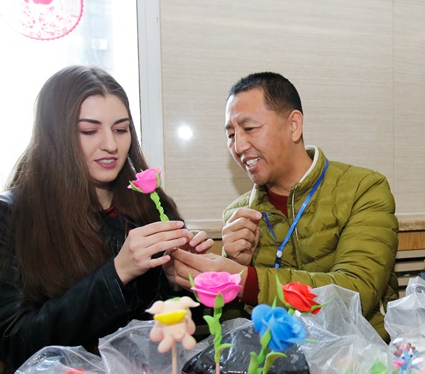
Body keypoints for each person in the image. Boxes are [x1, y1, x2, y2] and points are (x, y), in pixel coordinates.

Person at [0, 65, 212, 374]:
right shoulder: (4, 217)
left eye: (121, 129)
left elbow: (179, 339)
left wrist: (180, 282)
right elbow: (15, 344)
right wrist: (117, 273)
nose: (110, 145)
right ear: (56, 135)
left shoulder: (149, 205)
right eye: (89, 131)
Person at [169, 72, 398, 337]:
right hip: (276, 366)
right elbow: (230, 332)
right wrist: (229, 265)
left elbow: (356, 292)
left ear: (293, 126)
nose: (239, 146)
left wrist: (244, 279)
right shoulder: (238, 214)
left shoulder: (364, 188)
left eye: (249, 128)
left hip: (358, 361)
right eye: (231, 135)